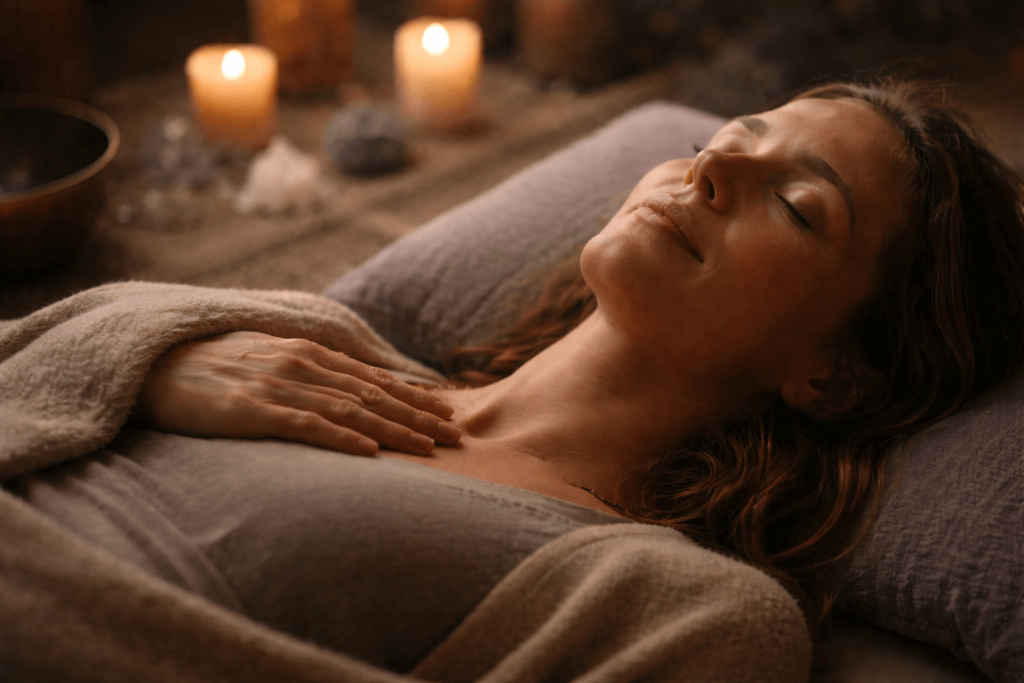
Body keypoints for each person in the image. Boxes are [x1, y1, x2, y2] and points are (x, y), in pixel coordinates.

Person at [8, 76, 1024, 676]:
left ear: (837, 375)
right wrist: (133, 365)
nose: (710, 174)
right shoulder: (311, 334)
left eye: (798, 206)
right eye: (721, 143)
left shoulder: (688, 604)